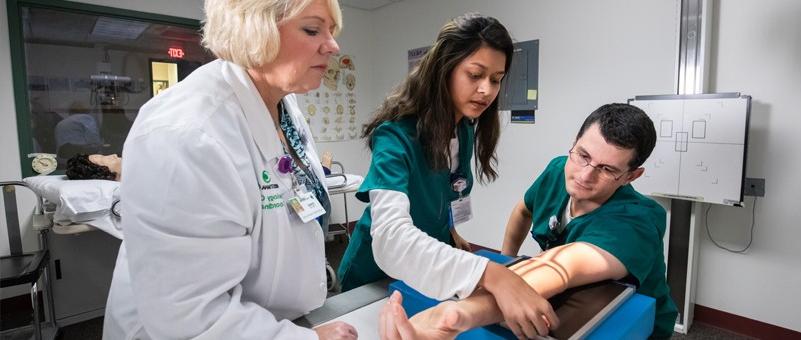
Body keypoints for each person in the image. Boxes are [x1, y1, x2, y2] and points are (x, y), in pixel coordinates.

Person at [102, 0, 357, 339]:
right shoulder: (186, 135)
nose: (333, 45)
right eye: (312, 29)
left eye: (332, 31)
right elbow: (192, 317)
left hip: (273, 319)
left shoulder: (282, 104)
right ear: (255, 28)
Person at [337, 13, 559, 339]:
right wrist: (492, 274)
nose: (486, 90)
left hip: (427, 263)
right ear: (444, 68)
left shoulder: (464, 128)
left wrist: (450, 230)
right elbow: (391, 240)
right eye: (475, 75)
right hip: (374, 275)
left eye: (496, 79)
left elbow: (446, 187)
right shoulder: (396, 136)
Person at [379, 103, 678, 339]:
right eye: (583, 155)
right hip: (569, 298)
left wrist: (457, 315)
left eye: (607, 170)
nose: (585, 175)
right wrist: (507, 260)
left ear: (631, 175)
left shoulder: (637, 220)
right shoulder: (559, 171)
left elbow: (562, 267)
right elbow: (523, 211)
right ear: (574, 142)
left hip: (630, 320)